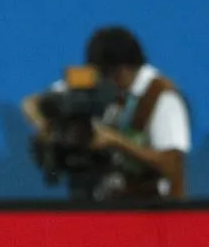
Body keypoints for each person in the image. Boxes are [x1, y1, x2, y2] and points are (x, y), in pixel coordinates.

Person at [22, 26, 190, 199]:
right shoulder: (92, 77)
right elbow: (30, 103)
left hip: (147, 205)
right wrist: (45, 127)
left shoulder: (163, 96)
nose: (101, 82)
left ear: (123, 70)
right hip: (97, 200)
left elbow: (172, 166)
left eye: (106, 76)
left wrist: (116, 142)